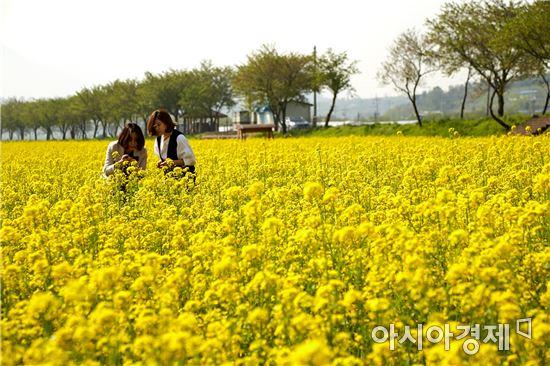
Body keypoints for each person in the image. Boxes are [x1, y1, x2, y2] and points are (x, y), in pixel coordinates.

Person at [146, 109, 196, 175]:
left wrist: (171, 162)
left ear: (166, 123)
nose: (157, 128)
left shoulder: (179, 138)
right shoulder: (158, 140)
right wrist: (161, 162)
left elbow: (191, 160)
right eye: (155, 126)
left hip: (185, 178)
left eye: (159, 125)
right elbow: (165, 157)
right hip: (169, 179)